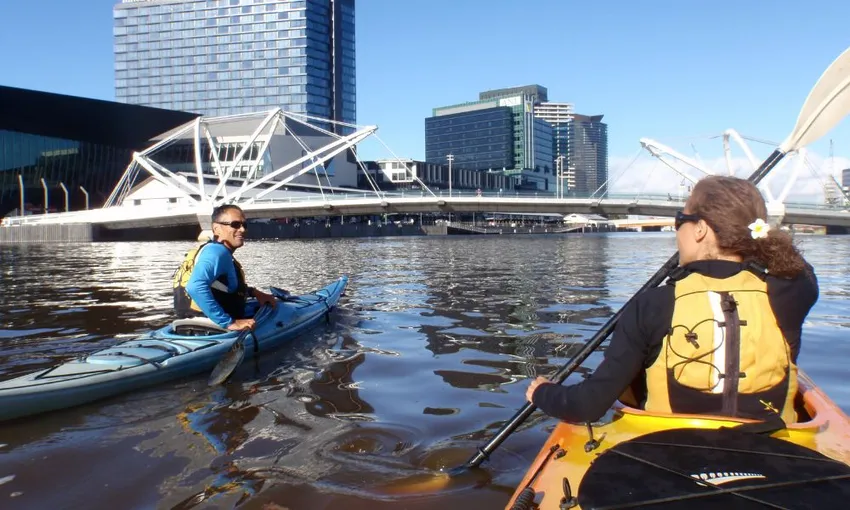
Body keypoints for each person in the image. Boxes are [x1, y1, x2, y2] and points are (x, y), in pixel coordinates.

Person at [527, 175, 818, 425]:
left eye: (681, 219)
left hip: (671, 454)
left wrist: (542, 392)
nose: (677, 229)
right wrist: (755, 236)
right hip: (772, 451)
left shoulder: (653, 304)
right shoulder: (792, 292)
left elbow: (586, 406)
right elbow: (797, 266)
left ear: (700, 229)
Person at [172, 204, 277, 331]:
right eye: (235, 224)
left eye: (244, 225)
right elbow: (195, 286)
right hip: (212, 328)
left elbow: (223, 287)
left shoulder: (211, 250)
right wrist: (229, 323)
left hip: (188, 324)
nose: (243, 229)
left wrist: (255, 293)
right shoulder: (217, 252)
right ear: (216, 229)